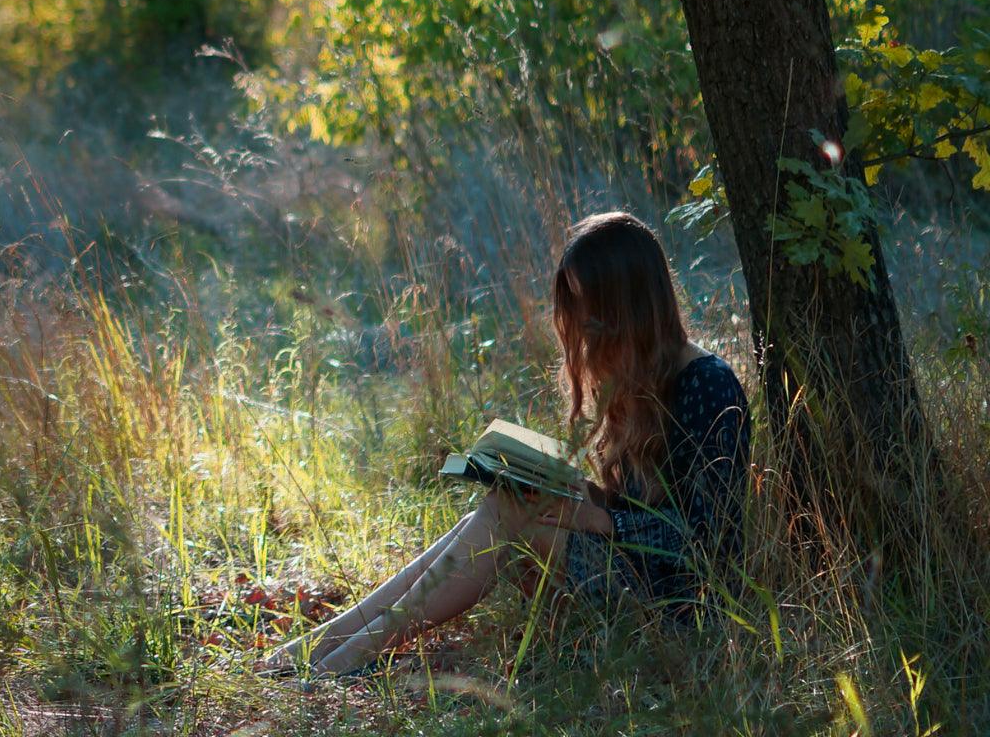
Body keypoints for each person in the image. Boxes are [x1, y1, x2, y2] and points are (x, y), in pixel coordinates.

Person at [263, 211, 751, 676]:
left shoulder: (708, 386)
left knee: (508, 517)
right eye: (577, 310)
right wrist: (579, 494)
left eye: (592, 311)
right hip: (631, 570)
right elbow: (644, 504)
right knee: (509, 500)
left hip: (681, 605)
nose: (583, 328)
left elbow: (709, 542)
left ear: (629, 306)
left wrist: (601, 517)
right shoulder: (638, 376)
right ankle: (327, 644)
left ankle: (340, 657)